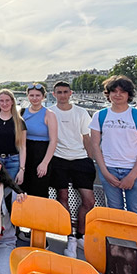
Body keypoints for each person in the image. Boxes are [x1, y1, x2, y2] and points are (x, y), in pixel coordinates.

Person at [89, 75, 137, 219]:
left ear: (128, 94)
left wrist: (132, 176)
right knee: (114, 212)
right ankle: (117, 241)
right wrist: (105, 173)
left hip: (135, 171)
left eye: (122, 92)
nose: (117, 95)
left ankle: (135, 241)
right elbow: (95, 146)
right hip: (110, 168)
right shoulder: (99, 116)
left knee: (136, 213)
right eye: (114, 91)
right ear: (108, 94)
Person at [49, 81, 96, 258]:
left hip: (80, 159)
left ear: (71, 93)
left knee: (89, 200)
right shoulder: (50, 112)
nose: (62, 95)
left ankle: (80, 233)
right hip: (59, 158)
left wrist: (91, 159)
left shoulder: (81, 113)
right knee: (63, 197)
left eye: (65, 92)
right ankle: (70, 235)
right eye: (59, 92)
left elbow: (86, 138)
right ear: (54, 94)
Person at [21, 83, 58, 198]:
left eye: (37, 95)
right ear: (27, 96)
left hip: (41, 154)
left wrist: (44, 163)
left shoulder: (49, 114)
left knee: (39, 191)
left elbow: (53, 141)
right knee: (22, 191)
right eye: (31, 95)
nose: (34, 98)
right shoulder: (22, 113)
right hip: (25, 153)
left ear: (43, 97)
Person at [0, 89, 26, 185]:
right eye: (1, 101)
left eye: (7, 100)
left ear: (12, 102)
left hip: (13, 161)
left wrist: (22, 169)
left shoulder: (20, 122)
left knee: (10, 192)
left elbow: (23, 147)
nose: (4, 103)